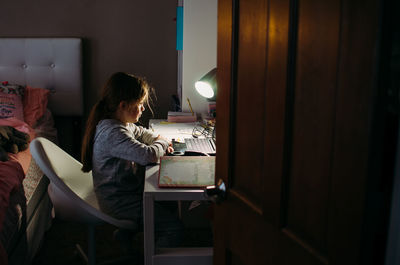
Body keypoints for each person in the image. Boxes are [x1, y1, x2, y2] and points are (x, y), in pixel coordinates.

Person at [81, 72, 183, 251]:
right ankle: (152, 259)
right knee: (173, 227)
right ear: (124, 105)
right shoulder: (113, 133)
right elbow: (148, 156)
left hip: (125, 192)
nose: (143, 109)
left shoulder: (121, 124)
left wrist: (157, 139)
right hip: (118, 201)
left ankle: (125, 235)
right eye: (140, 104)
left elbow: (142, 133)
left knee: (169, 203)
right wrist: (163, 142)